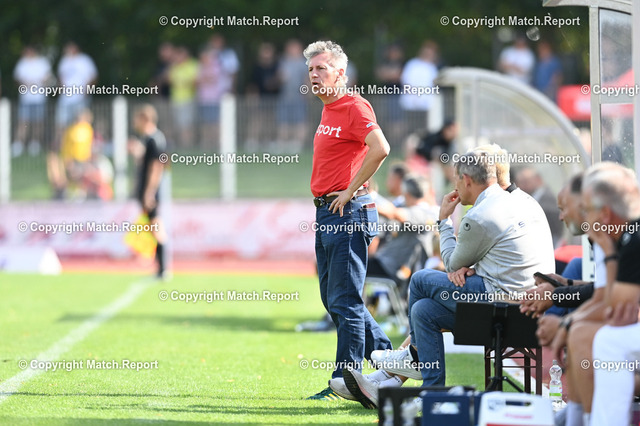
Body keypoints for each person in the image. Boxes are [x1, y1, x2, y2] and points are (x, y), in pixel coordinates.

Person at [303, 40, 393, 401]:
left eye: (321, 69)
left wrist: (350, 190)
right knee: (333, 299)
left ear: (340, 73)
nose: (314, 75)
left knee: (346, 300)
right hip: (327, 211)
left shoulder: (354, 106)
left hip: (347, 211)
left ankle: (345, 380)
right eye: (311, 69)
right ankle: (389, 357)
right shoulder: (329, 109)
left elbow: (381, 148)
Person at [550, 162, 640, 426]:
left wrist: (565, 322)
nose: (583, 216)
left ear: (606, 214)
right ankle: (580, 418)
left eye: (586, 209)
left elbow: (614, 309)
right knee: (592, 336)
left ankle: (588, 420)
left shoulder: (629, 238)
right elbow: (611, 302)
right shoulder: (623, 236)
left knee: (603, 341)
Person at [127, 105, 169, 279]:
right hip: (147, 191)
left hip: (150, 192)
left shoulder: (155, 139)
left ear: (145, 118)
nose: (134, 122)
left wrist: (149, 192)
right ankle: (160, 268)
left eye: (137, 118)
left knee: (156, 227)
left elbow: (157, 167)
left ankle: (163, 269)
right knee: (152, 227)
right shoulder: (148, 139)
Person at [13, 45, 52, 156]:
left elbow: (48, 78)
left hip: (39, 98)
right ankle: (19, 144)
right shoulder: (22, 63)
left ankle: (35, 144)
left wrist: (39, 83)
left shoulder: (42, 62)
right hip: (25, 98)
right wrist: (26, 84)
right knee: (23, 121)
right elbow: (17, 79)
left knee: (38, 122)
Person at [514, 166, 564, 248]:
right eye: (519, 183)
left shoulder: (547, 200)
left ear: (538, 179)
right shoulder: (533, 198)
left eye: (525, 182)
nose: (521, 186)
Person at [276, 39, 309, 153]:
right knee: (283, 121)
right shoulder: (283, 61)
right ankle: (282, 143)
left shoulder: (304, 63)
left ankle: (297, 144)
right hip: (285, 96)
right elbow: (279, 78)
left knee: (299, 121)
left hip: (299, 97)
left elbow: (307, 79)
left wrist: (306, 93)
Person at [400, 41, 438, 126]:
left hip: (426, 105)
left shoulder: (432, 67)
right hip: (410, 104)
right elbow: (406, 81)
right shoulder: (412, 64)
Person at [168, 46, 198, 148]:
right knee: (178, 125)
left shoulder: (192, 65)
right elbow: (170, 80)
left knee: (187, 125)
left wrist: (183, 83)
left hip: (188, 99)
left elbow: (194, 82)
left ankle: (187, 146)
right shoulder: (174, 67)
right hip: (176, 100)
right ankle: (181, 146)